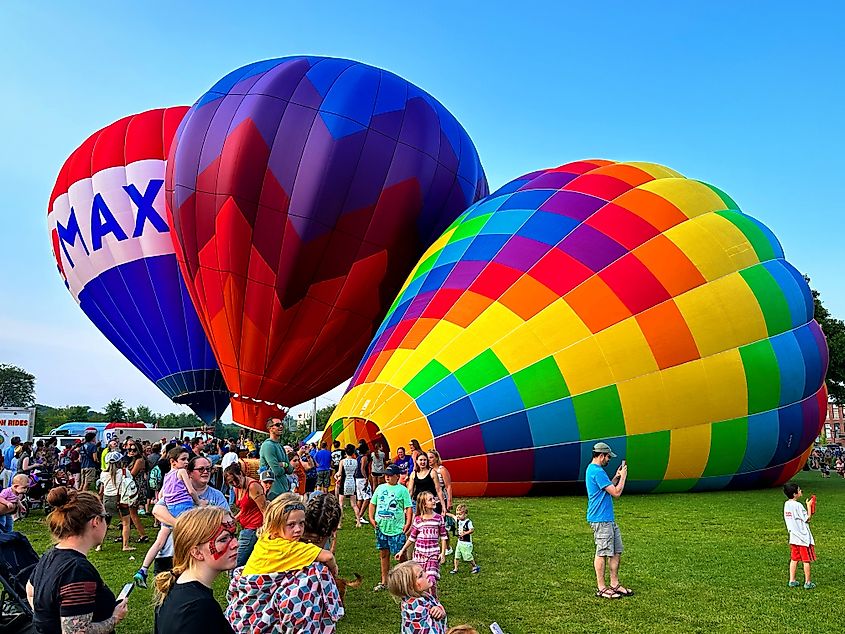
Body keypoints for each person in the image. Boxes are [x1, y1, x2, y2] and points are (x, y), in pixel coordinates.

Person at [226, 493, 342, 633]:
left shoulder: (266, 539)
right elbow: (328, 557)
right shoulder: (290, 548)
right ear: (275, 525)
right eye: (291, 525)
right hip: (256, 604)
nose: (298, 529)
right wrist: (334, 570)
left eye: (301, 523)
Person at [27, 487, 129, 633]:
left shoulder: (50, 555)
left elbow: (30, 590)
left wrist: (48, 619)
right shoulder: (77, 571)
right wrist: (115, 617)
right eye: (106, 517)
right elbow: (76, 632)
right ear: (96, 521)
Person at [154, 506, 238, 634]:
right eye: (223, 539)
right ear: (196, 552)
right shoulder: (200, 607)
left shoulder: (173, 589)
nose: (235, 543)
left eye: (233, 535)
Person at [134, 447, 204, 587]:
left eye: (187, 459)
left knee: (159, 542)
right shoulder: (182, 472)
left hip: (170, 509)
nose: (186, 462)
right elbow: (190, 490)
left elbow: (161, 496)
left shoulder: (167, 475)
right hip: (184, 508)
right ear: (173, 461)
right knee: (192, 537)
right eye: (183, 459)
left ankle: (143, 570)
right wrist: (199, 502)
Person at [151, 456, 230, 574]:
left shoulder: (217, 496)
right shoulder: (178, 491)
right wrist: (184, 526)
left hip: (196, 556)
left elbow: (228, 522)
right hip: (168, 553)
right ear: (190, 473)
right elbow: (157, 510)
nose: (206, 472)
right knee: (165, 590)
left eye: (208, 469)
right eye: (201, 469)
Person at [586, 441, 632, 599]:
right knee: (602, 552)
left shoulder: (595, 470)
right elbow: (616, 492)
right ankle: (601, 587)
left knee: (616, 551)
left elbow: (608, 487)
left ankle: (614, 584)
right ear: (600, 456)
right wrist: (624, 477)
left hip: (608, 519)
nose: (609, 460)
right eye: (607, 457)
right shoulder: (596, 471)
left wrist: (616, 477)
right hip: (601, 519)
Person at [395, 491, 449, 596]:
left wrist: (442, 553)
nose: (434, 501)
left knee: (431, 579)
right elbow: (412, 538)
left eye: (433, 498)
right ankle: (422, 600)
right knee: (419, 580)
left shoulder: (439, 518)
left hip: (433, 554)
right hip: (419, 555)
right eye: (430, 499)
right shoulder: (418, 520)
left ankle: (433, 601)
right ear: (424, 504)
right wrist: (402, 550)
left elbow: (443, 536)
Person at [370, 464, 413, 591]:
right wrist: (371, 518)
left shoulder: (402, 490)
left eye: (390, 475)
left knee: (400, 554)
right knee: (384, 554)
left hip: (397, 528)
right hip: (381, 527)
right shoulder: (380, 488)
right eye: (386, 475)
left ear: (397, 476)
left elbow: (408, 508)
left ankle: (406, 579)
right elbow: (373, 504)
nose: (387, 477)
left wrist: (408, 522)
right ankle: (384, 581)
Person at [224, 461, 267, 567]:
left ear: (241, 474)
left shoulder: (253, 486)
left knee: (235, 563)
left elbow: (264, 509)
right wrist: (233, 519)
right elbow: (245, 509)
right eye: (231, 482)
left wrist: (266, 531)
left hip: (254, 528)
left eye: (235, 480)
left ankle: (233, 583)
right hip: (245, 527)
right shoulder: (237, 488)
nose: (234, 483)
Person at [387, 560, 447, 634]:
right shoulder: (416, 608)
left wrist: (440, 610)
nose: (427, 574)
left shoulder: (421, 596)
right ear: (410, 587)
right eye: (420, 575)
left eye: (424, 571)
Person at [97, 451, 137, 551]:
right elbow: (130, 481)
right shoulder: (124, 472)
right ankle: (125, 545)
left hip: (107, 499)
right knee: (126, 523)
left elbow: (102, 488)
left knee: (106, 523)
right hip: (119, 499)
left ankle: (99, 545)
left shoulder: (103, 473)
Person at [783, 482, 816, 589]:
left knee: (794, 559)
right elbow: (807, 518)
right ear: (794, 494)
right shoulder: (798, 505)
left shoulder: (786, 504)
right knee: (806, 560)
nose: (801, 491)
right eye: (799, 490)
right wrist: (809, 506)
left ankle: (792, 580)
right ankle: (807, 582)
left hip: (793, 537)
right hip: (803, 538)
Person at [259, 418, 292, 500]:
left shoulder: (280, 446)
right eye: (277, 425)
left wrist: (283, 464)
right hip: (273, 493)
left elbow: (290, 470)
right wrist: (284, 466)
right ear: (270, 428)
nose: (281, 426)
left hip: (284, 491)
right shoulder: (268, 445)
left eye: (281, 424)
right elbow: (277, 471)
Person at [447, 503, 479, 575]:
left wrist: (465, 533)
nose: (458, 515)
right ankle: (455, 568)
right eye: (457, 514)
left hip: (466, 543)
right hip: (460, 542)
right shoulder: (458, 520)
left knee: (468, 556)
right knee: (456, 556)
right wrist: (445, 513)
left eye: (460, 514)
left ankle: (474, 566)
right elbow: (452, 516)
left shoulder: (468, 522)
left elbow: (472, 530)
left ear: (465, 514)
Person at [126, 441, 150, 538]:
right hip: (134, 487)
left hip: (136, 488)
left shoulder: (139, 460)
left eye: (134, 450)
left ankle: (143, 535)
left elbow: (132, 474)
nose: (131, 451)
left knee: (133, 512)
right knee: (130, 512)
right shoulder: (134, 460)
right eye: (129, 449)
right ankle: (126, 532)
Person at [338, 445, 363, 525]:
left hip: (344, 483)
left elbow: (339, 473)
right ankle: (358, 522)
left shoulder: (342, 461)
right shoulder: (355, 461)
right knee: (354, 504)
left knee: (341, 504)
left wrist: (336, 476)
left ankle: (339, 523)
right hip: (352, 482)